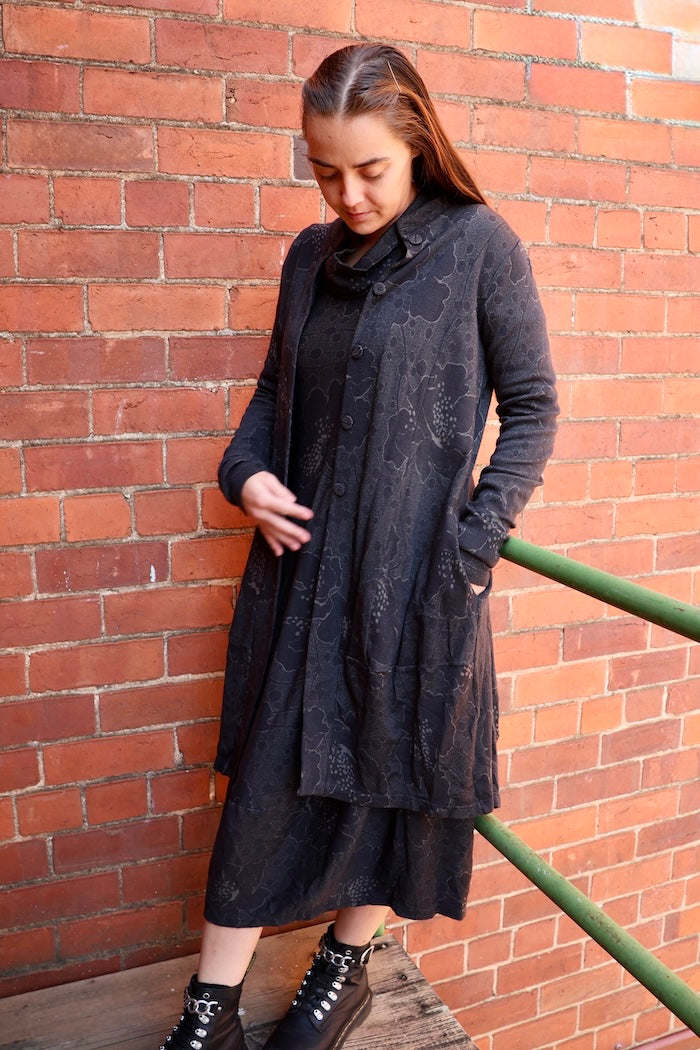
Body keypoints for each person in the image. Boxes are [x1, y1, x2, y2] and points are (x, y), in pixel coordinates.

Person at [159, 42, 558, 1050]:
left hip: (421, 582)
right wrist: (245, 476)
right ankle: (209, 1014)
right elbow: (271, 395)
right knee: (264, 796)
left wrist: (471, 549)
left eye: (369, 169)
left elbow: (534, 407)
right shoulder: (308, 257)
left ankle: (340, 974)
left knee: (396, 781)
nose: (348, 195)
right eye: (324, 171)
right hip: (303, 580)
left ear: (416, 141)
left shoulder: (480, 246)